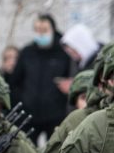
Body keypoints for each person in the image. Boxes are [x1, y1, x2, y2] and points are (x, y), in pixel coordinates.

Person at [7, 14, 73, 142]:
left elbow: (71, 78)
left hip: (56, 115)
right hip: (29, 115)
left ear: (53, 30)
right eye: (37, 30)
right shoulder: (27, 52)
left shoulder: (63, 53)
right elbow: (15, 81)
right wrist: (22, 101)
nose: (40, 34)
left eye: (44, 30)